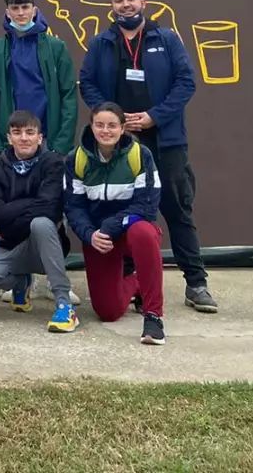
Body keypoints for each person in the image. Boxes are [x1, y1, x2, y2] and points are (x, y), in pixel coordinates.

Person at [79, 0, 217, 314]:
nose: (125, 5)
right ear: (111, 6)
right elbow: (88, 84)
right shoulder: (102, 43)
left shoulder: (167, 39)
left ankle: (196, 283)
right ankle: (133, 283)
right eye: (118, 0)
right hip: (121, 142)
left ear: (143, 2)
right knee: (124, 214)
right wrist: (113, 119)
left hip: (165, 139)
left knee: (176, 209)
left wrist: (154, 117)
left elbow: (186, 83)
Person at [64, 103, 166, 345]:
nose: (105, 131)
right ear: (91, 126)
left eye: (112, 125)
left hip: (130, 229)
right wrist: (90, 235)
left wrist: (111, 225)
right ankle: (136, 284)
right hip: (100, 239)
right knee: (107, 313)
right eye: (99, 125)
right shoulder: (76, 159)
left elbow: (146, 206)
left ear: (122, 129)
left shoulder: (140, 155)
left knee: (144, 232)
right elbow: (74, 208)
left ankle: (153, 317)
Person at [0, 110, 78, 333]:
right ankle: (20, 282)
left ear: (40, 137)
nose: (24, 138)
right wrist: (30, 203)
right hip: (11, 246)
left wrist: (12, 210)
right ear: (9, 138)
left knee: (42, 224)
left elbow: (50, 209)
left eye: (30, 132)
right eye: (17, 132)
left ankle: (64, 304)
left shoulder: (53, 163)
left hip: (44, 247)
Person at [0, 0, 77, 157]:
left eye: (25, 7)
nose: (20, 13)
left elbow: (68, 95)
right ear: (7, 12)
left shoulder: (56, 47)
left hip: (49, 139)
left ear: (34, 11)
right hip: (11, 141)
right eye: (15, 8)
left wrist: (62, 143)